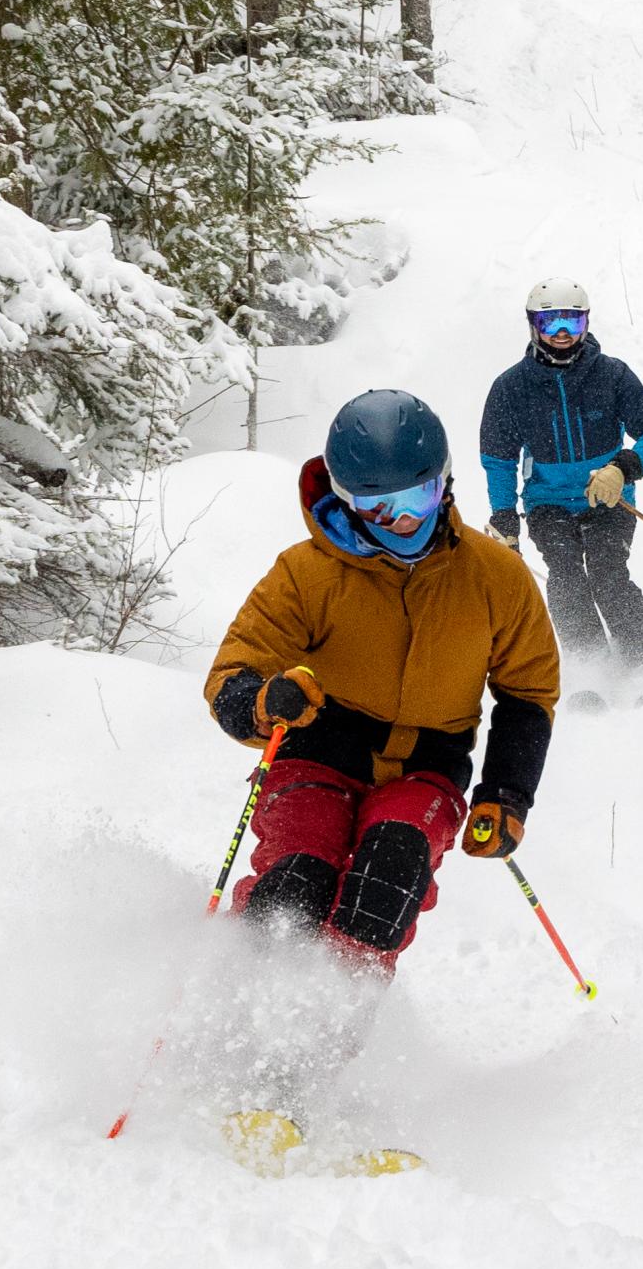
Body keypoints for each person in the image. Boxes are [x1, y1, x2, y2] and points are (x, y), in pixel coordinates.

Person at [205, 389, 559, 977]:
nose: (402, 520)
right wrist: (265, 701)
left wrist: (506, 793)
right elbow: (232, 673)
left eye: (416, 496)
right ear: (345, 500)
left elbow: (528, 693)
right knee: (296, 883)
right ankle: (236, 1003)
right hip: (318, 754)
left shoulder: (496, 576)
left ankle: (334, 1024)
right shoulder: (307, 572)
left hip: (427, 767)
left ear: (444, 483)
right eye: (375, 506)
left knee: (388, 879)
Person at [479, 278, 643, 668]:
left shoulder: (611, 375)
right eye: (551, 323)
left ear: (586, 324)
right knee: (567, 578)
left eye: (573, 322)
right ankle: (591, 668)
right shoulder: (511, 388)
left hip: (607, 497)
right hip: (547, 502)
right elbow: (498, 459)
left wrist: (624, 468)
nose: (563, 334)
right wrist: (504, 517)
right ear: (534, 325)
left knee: (607, 572)